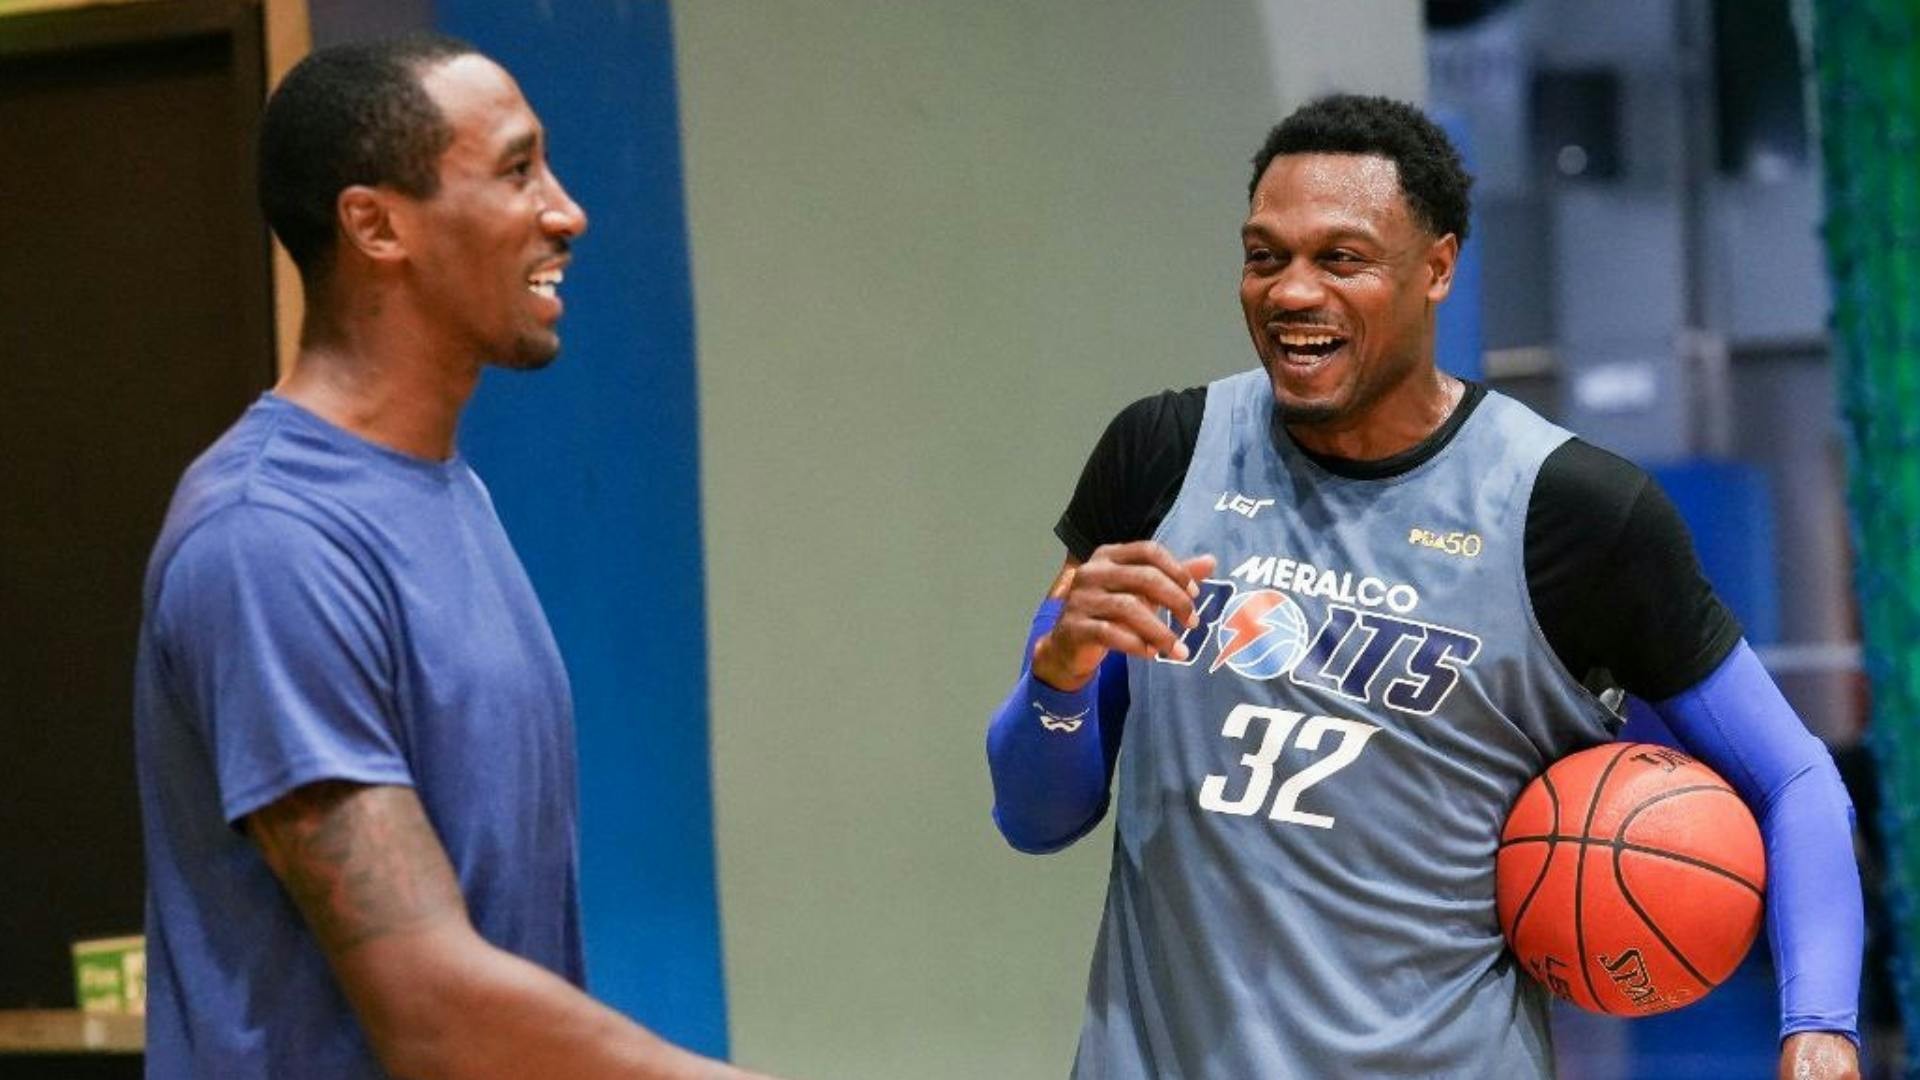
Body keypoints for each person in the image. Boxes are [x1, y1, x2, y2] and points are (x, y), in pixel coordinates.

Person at [986, 94, 1863, 1079]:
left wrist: (1819, 1028)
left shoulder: (1573, 513)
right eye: (1265, 256)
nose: (1291, 291)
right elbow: (1035, 818)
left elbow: (1793, 779)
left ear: (1438, 267)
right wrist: (1058, 678)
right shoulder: (1160, 455)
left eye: (1341, 258)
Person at [134, 35, 776, 1080]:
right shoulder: (269, 538)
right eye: (517, 170)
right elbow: (428, 1008)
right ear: (376, 225)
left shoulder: (444, 491)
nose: (568, 212)